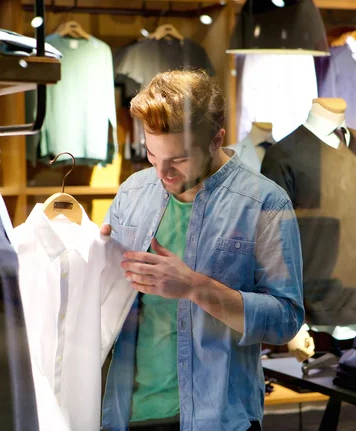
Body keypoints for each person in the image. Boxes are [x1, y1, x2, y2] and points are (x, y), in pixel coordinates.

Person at [100, 70, 304, 431]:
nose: (162, 171)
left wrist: (195, 287)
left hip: (218, 418)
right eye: (151, 153)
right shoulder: (132, 193)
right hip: (128, 414)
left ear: (216, 140)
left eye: (178, 159)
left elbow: (285, 320)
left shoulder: (264, 202)